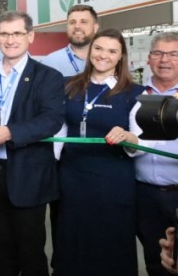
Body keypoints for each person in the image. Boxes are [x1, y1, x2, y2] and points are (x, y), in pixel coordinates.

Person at [0, 11, 65, 276]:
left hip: (28, 175)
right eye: (4, 34)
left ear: (30, 36)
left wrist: (9, 132)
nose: (10, 40)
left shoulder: (48, 76)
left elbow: (51, 120)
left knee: (30, 251)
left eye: (17, 33)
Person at [53, 28, 144, 276]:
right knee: (73, 239)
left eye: (112, 51)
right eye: (99, 48)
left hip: (112, 180)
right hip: (72, 177)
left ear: (121, 56)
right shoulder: (69, 85)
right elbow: (60, 130)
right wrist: (51, 164)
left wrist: (127, 137)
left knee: (111, 241)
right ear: (90, 50)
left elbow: (141, 141)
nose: (104, 55)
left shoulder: (135, 93)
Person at [128, 32, 178, 276]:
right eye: (158, 53)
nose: (164, 59)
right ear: (149, 58)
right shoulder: (133, 95)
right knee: (154, 260)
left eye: (173, 54)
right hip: (144, 195)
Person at [40, 4, 99, 77]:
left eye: (83, 22)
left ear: (95, 28)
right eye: (72, 22)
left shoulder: (106, 59)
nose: (77, 26)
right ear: (67, 27)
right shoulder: (49, 62)